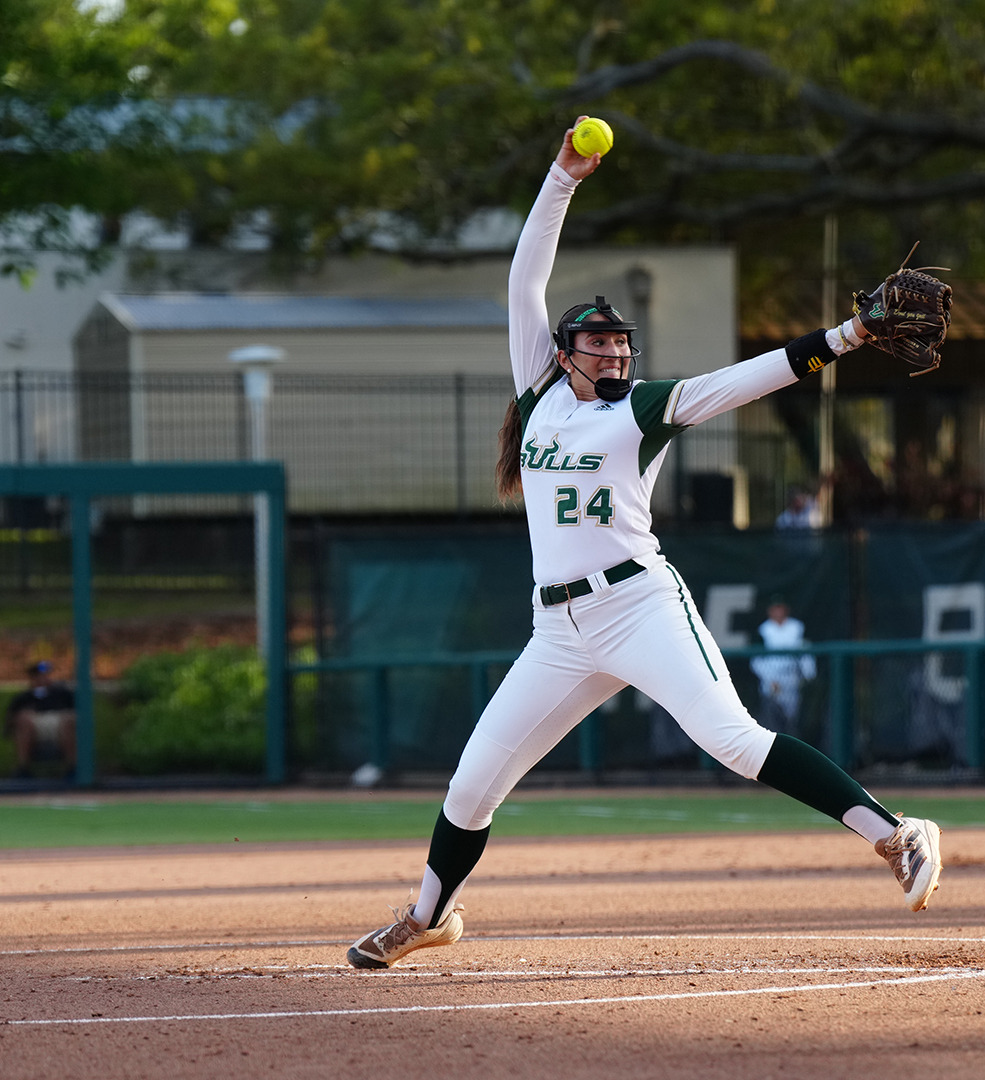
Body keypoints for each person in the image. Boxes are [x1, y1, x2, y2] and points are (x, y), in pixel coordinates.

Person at [346, 118, 947, 970]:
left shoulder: (637, 410)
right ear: (564, 353)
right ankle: (430, 916)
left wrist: (844, 338)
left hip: (637, 605)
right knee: (471, 789)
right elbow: (524, 281)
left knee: (732, 740)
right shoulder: (539, 396)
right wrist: (563, 177)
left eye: (624, 341)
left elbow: (744, 381)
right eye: (600, 342)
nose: (618, 350)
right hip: (556, 632)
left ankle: (896, 834)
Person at [751, 598, 815, 737]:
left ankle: (793, 749)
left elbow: (805, 651)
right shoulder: (763, 630)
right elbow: (755, 660)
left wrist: (808, 674)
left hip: (792, 678)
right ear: (770, 611)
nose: (778, 611)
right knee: (772, 720)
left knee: (793, 721)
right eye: (775, 608)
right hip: (772, 679)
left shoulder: (797, 627)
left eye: (780, 608)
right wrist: (770, 680)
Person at [5, 660, 76, 779]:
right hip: (35, 726)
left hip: (59, 724)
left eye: (45, 674)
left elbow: (77, 712)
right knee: (23, 718)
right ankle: (23, 769)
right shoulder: (24, 697)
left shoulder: (63, 693)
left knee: (68, 719)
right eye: (38, 675)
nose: (42, 678)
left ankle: (73, 768)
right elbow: (10, 720)